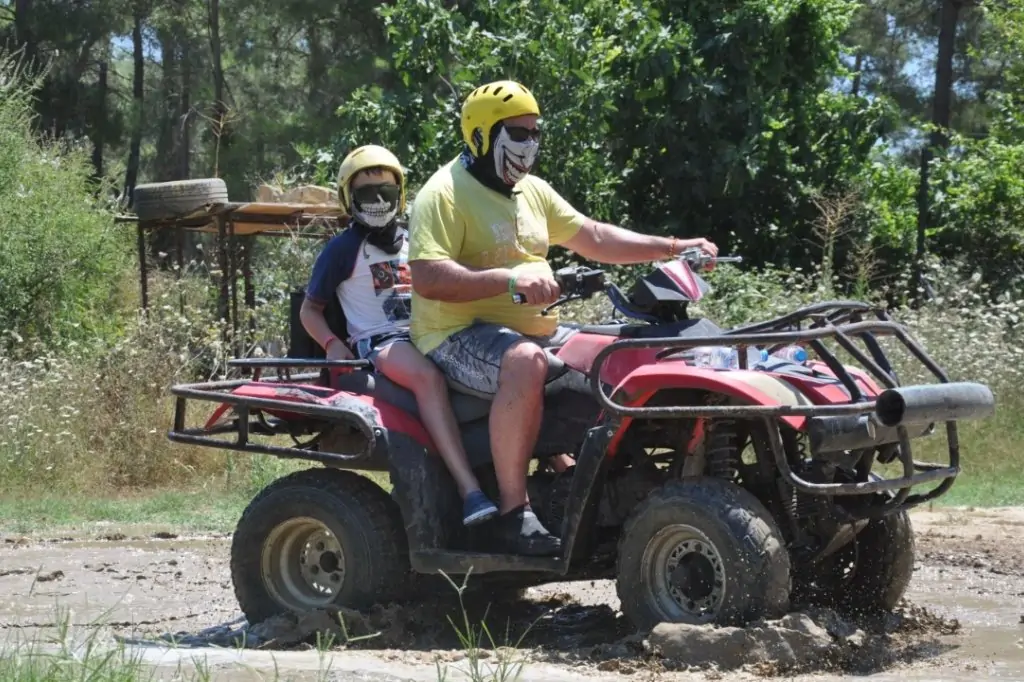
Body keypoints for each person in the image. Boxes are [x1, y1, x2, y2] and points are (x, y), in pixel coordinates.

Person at [407, 80, 719, 557]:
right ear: (482, 135)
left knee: (617, 354)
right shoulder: (444, 193)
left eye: (535, 133)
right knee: (526, 361)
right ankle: (514, 514)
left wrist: (675, 247)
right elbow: (428, 276)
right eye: (518, 133)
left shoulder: (531, 191)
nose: (529, 144)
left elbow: (594, 236)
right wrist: (509, 281)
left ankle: (597, 484)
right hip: (453, 334)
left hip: (533, 327)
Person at [300, 144, 500, 527]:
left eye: (386, 193)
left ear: (401, 194)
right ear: (348, 197)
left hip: (431, 332)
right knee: (427, 378)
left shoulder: (415, 241)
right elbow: (310, 309)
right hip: (380, 342)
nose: (377, 201)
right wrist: (331, 343)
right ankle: (469, 490)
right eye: (366, 194)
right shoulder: (342, 249)